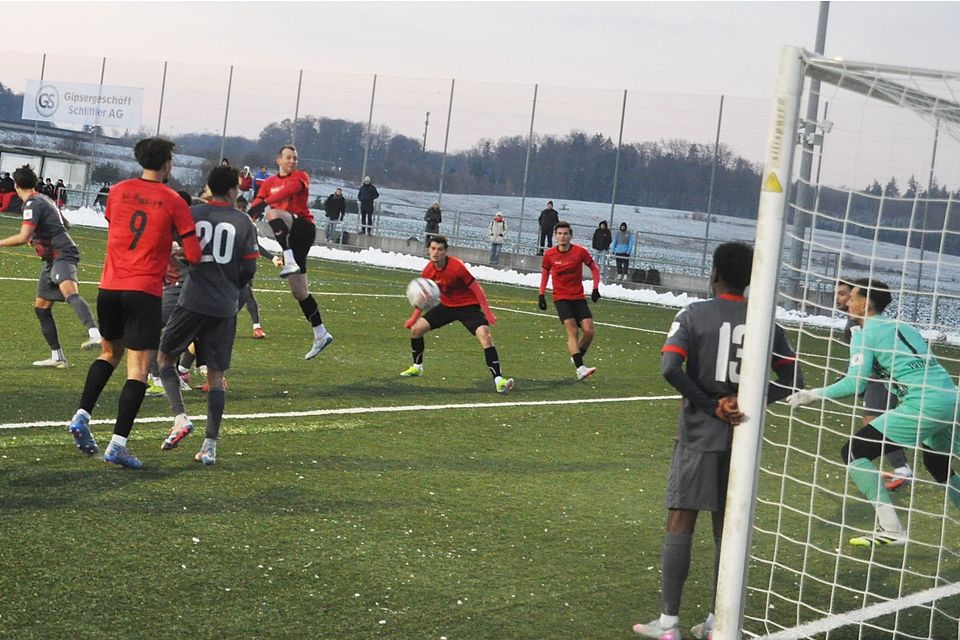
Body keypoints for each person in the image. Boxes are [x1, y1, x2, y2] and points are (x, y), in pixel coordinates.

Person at [633, 242, 802, 640]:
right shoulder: (766, 323)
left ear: (713, 273)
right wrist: (744, 400)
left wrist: (711, 405)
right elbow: (794, 383)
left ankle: (669, 624)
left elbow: (670, 368)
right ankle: (718, 622)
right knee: (728, 530)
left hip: (698, 433)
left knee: (681, 519)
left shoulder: (693, 314)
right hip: (742, 438)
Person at [787, 279, 960, 547]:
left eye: (852, 297)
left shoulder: (864, 333)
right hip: (950, 397)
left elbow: (855, 383)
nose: (847, 302)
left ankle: (891, 528)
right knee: (937, 464)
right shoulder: (904, 326)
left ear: (865, 303)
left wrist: (812, 394)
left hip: (923, 402)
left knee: (854, 452)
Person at [64, 137, 202, 469]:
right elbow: (195, 254)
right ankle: (117, 445)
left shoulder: (119, 191)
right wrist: (173, 250)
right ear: (167, 163)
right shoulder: (173, 200)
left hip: (110, 286)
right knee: (138, 371)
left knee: (109, 353)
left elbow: (124, 229)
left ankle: (81, 415)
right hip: (144, 291)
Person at [157, 165, 259, 466]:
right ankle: (210, 446)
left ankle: (180, 417)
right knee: (216, 376)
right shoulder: (243, 222)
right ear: (233, 190)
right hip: (225, 306)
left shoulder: (193, 213)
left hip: (192, 299)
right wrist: (230, 285)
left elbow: (179, 248)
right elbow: (249, 270)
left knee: (164, 358)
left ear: (208, 187)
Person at [0, 164, 102, 368]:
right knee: (41, 308)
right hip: (52, 257)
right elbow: (66, 225)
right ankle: (57, 356)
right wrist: (38, 235)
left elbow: (22, 237)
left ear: (16, 186)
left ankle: (95, 334)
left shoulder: (31, 204)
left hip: (61, 253)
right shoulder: (44, 199)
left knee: (69, 291)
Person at [248, 144, 333, 360]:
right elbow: (257, 203)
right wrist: (247, 216)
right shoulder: (268, 183)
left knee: (274, 213)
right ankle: (320, 333)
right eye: (288, 157)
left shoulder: (300, 176)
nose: (293, 161)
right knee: (299, 292)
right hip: (289, 237)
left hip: (303, 228)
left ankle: (290, 260)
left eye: (295, 158)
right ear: (278, 160)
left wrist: (265, 204)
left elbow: (290, 191)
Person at [400, 235, 514, 394]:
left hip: (468, 307)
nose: (436, 252)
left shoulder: (456, 267)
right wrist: (413, 318)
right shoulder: (428, 270)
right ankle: (417, 367)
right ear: (428, 250)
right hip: (447, 306)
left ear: (445, 251)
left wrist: (488, 313)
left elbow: (477, 289)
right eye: (433, 249)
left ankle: (499, 380)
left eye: (440, 249)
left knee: (485, 335)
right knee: (416, 330)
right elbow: (424, 298)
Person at [834, 279, 913, 490]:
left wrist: (848, 379)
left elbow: (867, 355)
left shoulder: (861, 325)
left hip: (882, 379)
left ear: (862, 301)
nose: (841, 299)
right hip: (876, 377)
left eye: (845, 295)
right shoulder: (855, 323)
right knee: (874, 421)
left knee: (874, 421)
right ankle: (902, 467)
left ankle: (902, 469)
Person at [537, 221, 601, 382]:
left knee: (590, 331)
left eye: (565, 233)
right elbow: (545, 273)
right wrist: (541, 294)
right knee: (573, 331)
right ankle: (580, 368)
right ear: (555, 236)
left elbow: (594, 268)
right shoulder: (550, 254)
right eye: (559, 234)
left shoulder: (580, 252)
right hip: (561, 299)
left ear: (570, 235)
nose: (562, 236)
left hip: (578, 298)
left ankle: (576, 355)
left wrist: (595, 288)